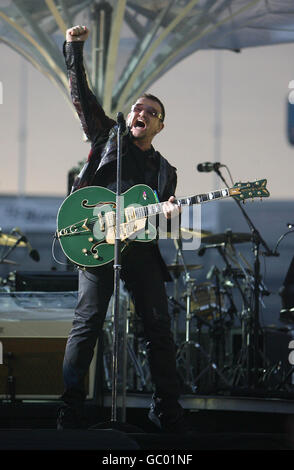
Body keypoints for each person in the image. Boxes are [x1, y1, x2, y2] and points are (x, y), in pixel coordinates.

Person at [57, 25, 191, 434]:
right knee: (88, 322)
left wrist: (169, 214)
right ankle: (70, 408)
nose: (141, 114)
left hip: (139, 250)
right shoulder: (108, 136)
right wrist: (73, 49)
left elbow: (158, 227)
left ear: (160, 126)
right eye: (138, 108)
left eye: (151, 112)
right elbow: (82, 97)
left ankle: (166, 409)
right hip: (97, 241)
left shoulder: (166, 172)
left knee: (158, 326)